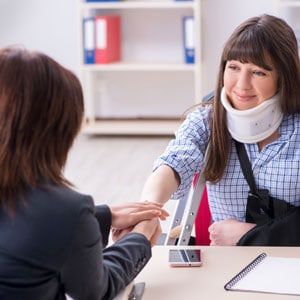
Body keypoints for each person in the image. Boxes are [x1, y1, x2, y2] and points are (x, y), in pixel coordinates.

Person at [0, 46, 169, 300]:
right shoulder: (63, 211)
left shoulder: (60, 213)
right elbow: (94, 291)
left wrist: (101, 216)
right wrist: (139, 238)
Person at [139, 14, 300, 246]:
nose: (242, 84)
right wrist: (147, 214)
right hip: (227, 265)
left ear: (283, 77)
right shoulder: (208, 120)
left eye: (259, 72)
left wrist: (251, 235)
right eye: (234, 67)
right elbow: (173, 163)